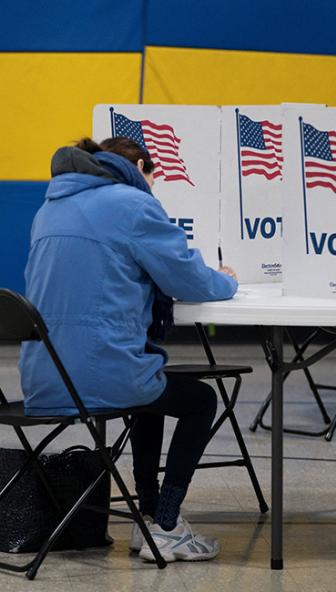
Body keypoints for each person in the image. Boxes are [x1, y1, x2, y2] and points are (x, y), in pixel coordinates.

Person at [20, 136, 238, 563]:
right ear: (140, 167)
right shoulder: (131, 203)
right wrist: (227, 278)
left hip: (42, 378)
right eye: (153, 179)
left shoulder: (51, 207)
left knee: (148, 388)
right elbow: (188, 279)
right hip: (97, 375)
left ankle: (150, 514)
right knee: (200, 401)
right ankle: (169, 525)